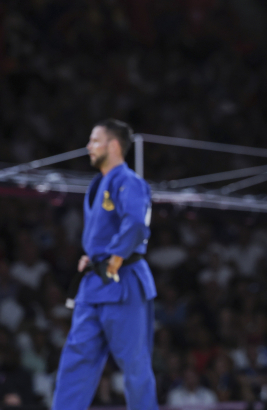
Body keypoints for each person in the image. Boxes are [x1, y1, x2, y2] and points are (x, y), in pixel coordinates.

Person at [52, 119, 158, 410]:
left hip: (122, 282)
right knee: (75, 362)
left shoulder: (129, 181)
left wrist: (114, 257)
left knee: (135, 366)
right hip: (94, 284)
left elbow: (136, 224)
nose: (88, 146)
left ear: (113, 145)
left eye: (94, 141)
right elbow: (105, 230)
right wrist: (94, 256)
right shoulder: (99, 183)